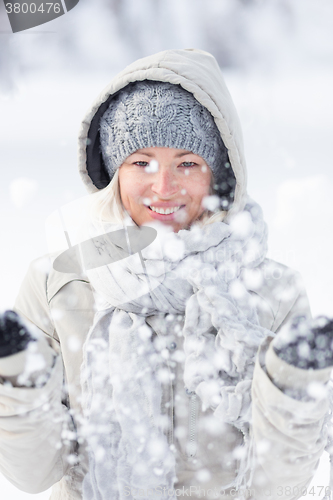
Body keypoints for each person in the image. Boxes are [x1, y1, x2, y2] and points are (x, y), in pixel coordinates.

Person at [0, 48, 332, 500]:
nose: (164, 187)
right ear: (115, 172)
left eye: (187, 163)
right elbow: (32, 474)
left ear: (219, 175)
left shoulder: (270, 293)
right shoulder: (60, 282)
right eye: (141, 162)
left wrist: (292, 388)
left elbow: (278, 487)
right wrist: (17, 380)